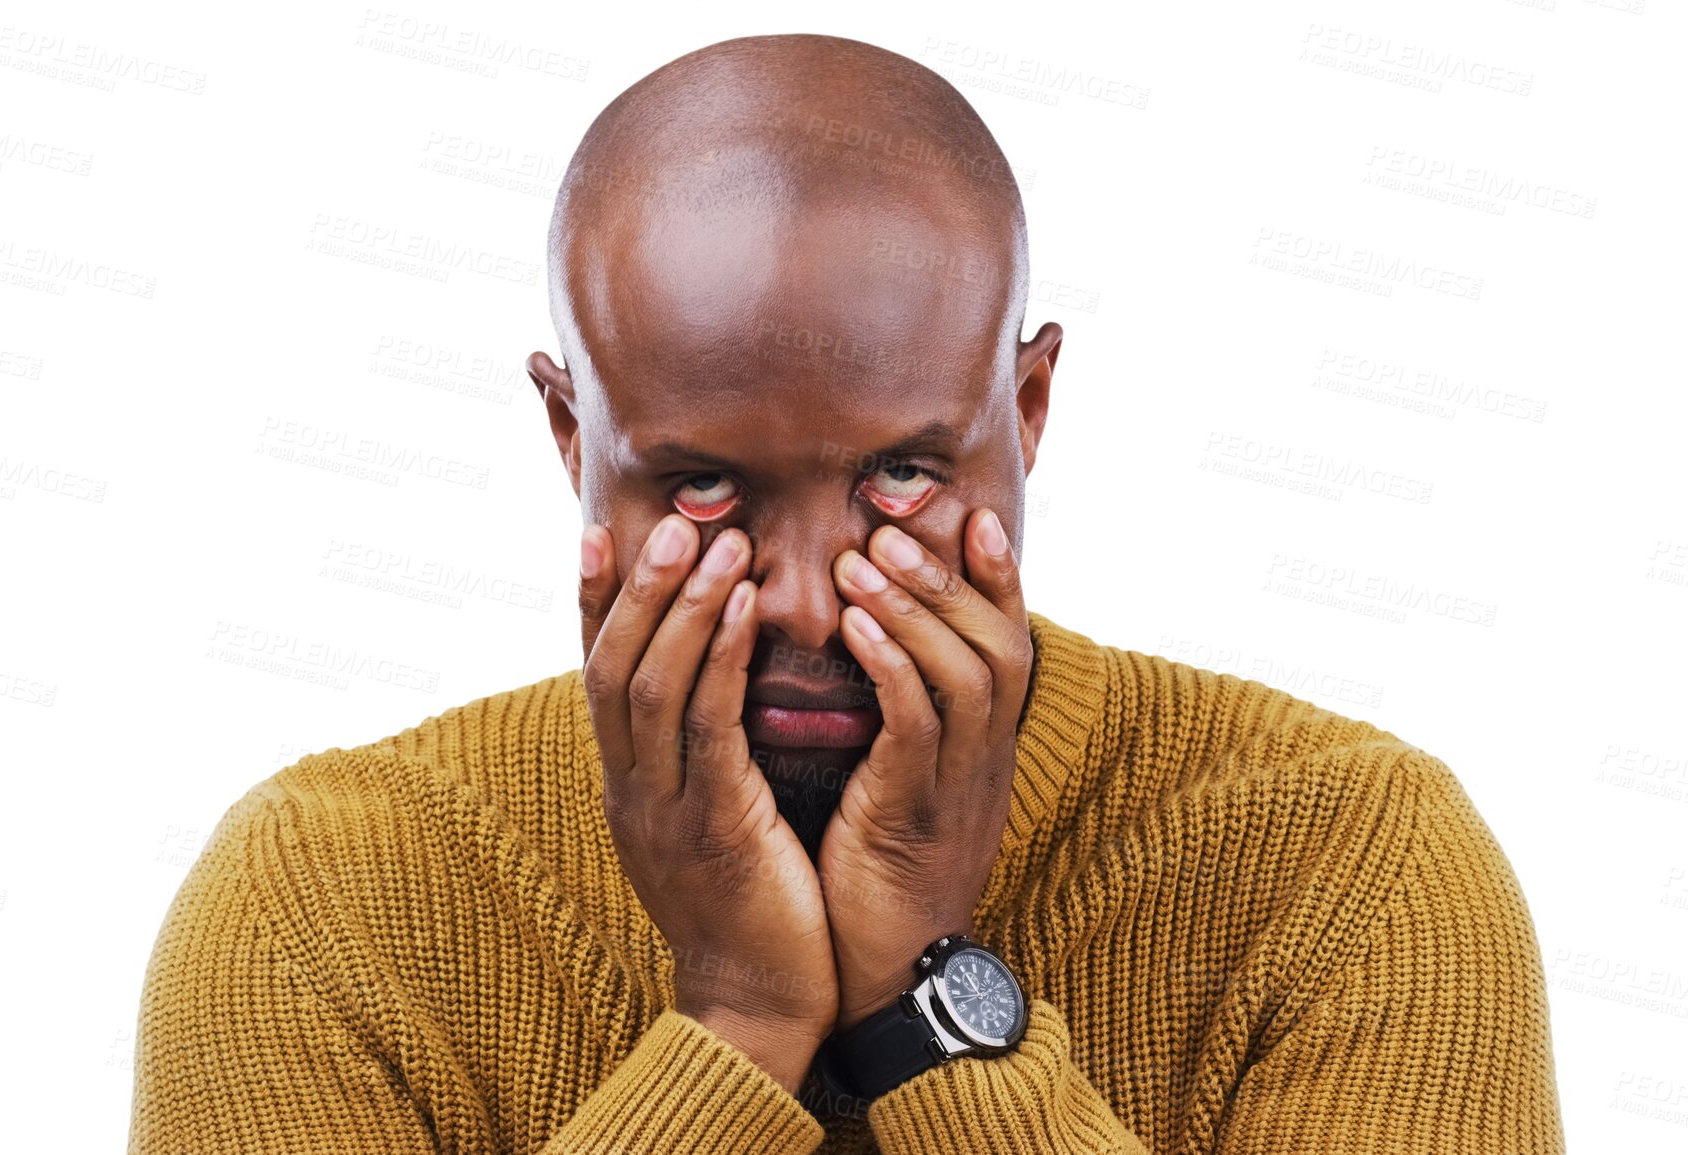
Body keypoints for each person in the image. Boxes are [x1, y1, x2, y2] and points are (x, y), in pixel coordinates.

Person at [127, 32, 1567, 1154]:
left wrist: (930, 1016)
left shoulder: (1353, 867)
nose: (809, 604)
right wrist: (736, 1029)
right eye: (701, 489)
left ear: (1031, 408)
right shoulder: (319, 900)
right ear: (574, 440)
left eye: (901, 478)